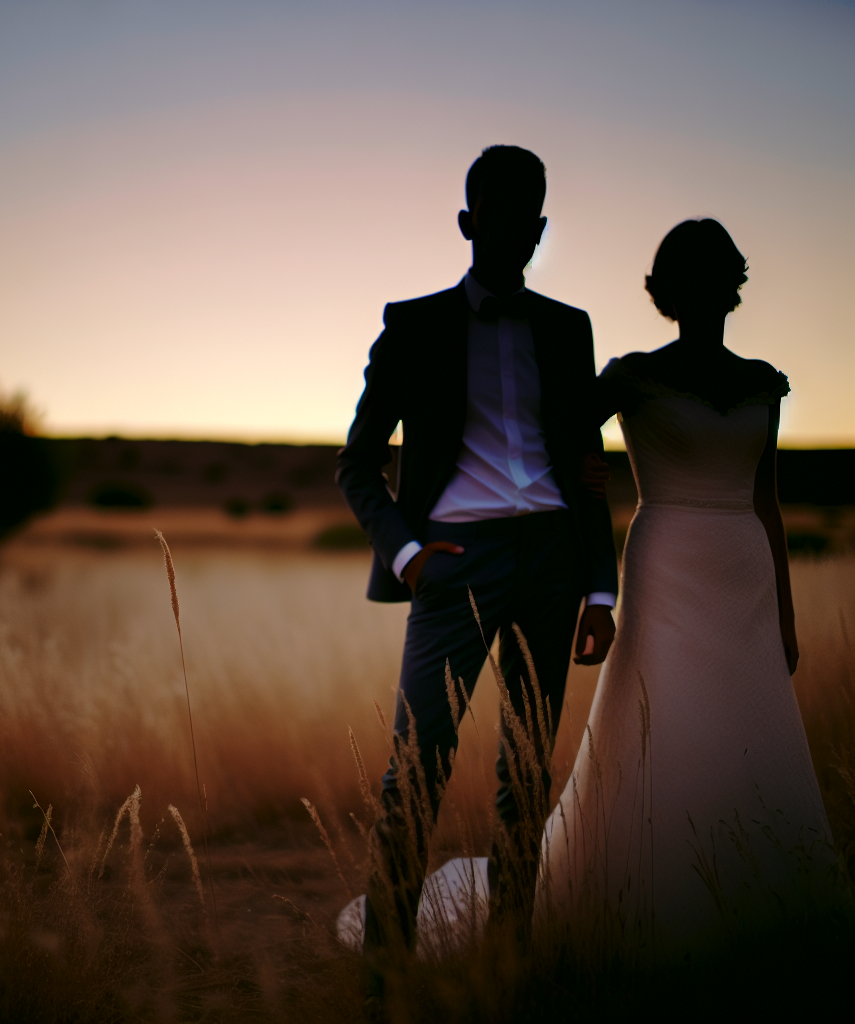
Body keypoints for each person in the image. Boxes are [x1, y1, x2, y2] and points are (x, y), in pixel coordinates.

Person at [335, 145, 619, 989]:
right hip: (455, 563)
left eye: (531, 217)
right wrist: (413, 556)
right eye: (498, 213)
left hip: (556, 559)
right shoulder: (413, 324)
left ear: (541, 229)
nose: (515, 232)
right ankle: (383, 977)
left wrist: (601, 585)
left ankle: (511, 960)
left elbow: (585, 459)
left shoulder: (570, 329)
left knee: (527, 773)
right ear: (469, 221)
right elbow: (356, 463)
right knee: (415, 767)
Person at [538, 218, 834, 959]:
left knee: (747, 723)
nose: (712, 296)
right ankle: (649, 903)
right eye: (694, 283)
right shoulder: (633, 375)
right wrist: (587, 468)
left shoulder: (764, 382)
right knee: (661, 718)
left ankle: (751, 897)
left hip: (746, 571)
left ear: (733, 289)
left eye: (721, 281)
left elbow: (767, 503)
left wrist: (787, 619)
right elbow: (559, 434)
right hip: (664, 558)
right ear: (671, 294)